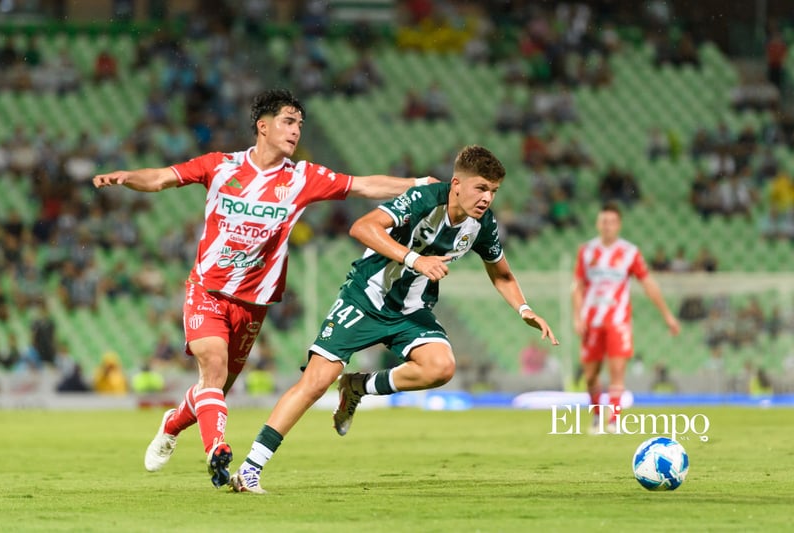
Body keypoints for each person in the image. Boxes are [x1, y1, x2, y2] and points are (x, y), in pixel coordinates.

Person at [92, 88, 434, 489]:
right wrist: (128, 177)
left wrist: (417, 184)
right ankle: (217, 450)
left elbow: (363, 185)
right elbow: (162, 178)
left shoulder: (303, 178)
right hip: (207, 291)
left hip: (253, 305)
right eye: (289, 122)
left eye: (300, 125)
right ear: (263, 126)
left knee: (214, 389)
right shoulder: (220, 166)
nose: (295, 131)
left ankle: (172, 423)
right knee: (213, 370)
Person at [228, 145, 559, 494]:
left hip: (411, 310)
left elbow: (503, 275)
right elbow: (362, 227)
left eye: (494, 191)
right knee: (315, 382)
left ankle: (357, 386)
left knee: (440, 367)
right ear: (456, 183)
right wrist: (416, 260)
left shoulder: (482, 224)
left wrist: (525, 310)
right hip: (366, 297)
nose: (487, 198)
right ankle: (250, 469)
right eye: (481, 188)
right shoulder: (424, 199)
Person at [572, 202, 680, 434]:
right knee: (590, 376)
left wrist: (667, 315)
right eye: (603, 221)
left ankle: (613, 419)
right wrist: (577, 317)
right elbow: (577, 287)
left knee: (617, 370)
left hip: (618, 320)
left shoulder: (630, 252)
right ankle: (597, 415)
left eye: (612, 222)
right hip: (591, 321)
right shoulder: (587, 251)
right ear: (597, 224)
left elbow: (648, 283)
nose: (607, 226)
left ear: (618, 225)